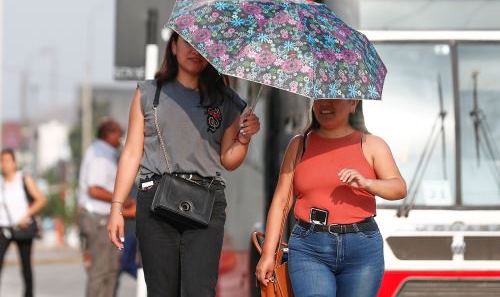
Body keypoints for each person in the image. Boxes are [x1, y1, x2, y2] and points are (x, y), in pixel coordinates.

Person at [107, 31, 260, 296]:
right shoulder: (148, 93)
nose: (195, 51)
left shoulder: (227, 100)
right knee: (161, 290)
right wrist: (117, 206)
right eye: (188, 42)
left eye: (203, 45)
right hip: (156, 201)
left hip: (206, 203)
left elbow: (228, 160)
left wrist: (244, 139)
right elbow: (132, 152)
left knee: (199, 291)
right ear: (174, 47)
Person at [256, 99, 407, 297]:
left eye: (334, 97)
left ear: (353, 103)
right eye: (320, 97)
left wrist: (368, 183)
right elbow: (281, 202)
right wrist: (268, 254)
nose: (325, 104)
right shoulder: (299, 145)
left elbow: (399, 188)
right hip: (309, 248)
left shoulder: (372, 144)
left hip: (362, 249)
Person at [78, 118, 135, 297]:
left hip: (102, 218)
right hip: (98, 218)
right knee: (101, 272)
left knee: (110, 271)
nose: (122, 137)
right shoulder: (99, 155)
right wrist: (123, 201)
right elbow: (94, 189)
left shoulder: (106, 152)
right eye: (119, 133)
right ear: (108, 133)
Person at [0, 148, 47, 297]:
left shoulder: (23, 178)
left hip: (23, 227)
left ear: (15, 163)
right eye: (2, 161)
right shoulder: (0, 182)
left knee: (25, 266)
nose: (5, 164)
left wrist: (26, 216)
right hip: (4, 229)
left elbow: (41, 200)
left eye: (8, 160)